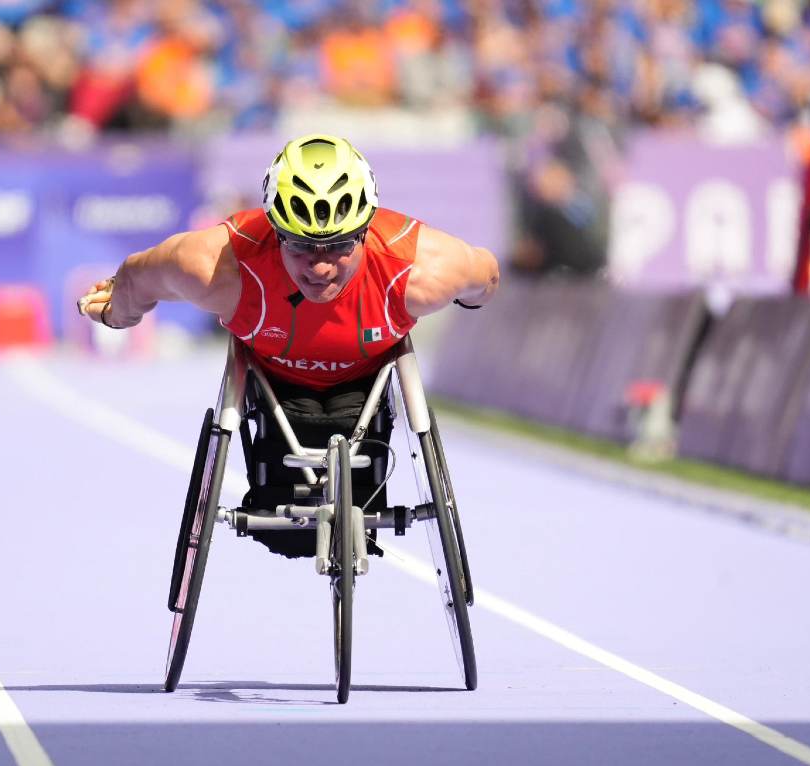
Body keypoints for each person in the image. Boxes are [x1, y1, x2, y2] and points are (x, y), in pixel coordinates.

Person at [77, 133, 499, 556]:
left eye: (337, 246)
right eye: (300, 246)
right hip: (272, 388)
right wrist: (118, 313)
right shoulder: (219, 267)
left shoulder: (420, 270)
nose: (319, 266)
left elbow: (486, 274)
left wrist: (471, 294)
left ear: (365, 230)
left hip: (367, 385)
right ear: (276, 233)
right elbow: (137, 275)